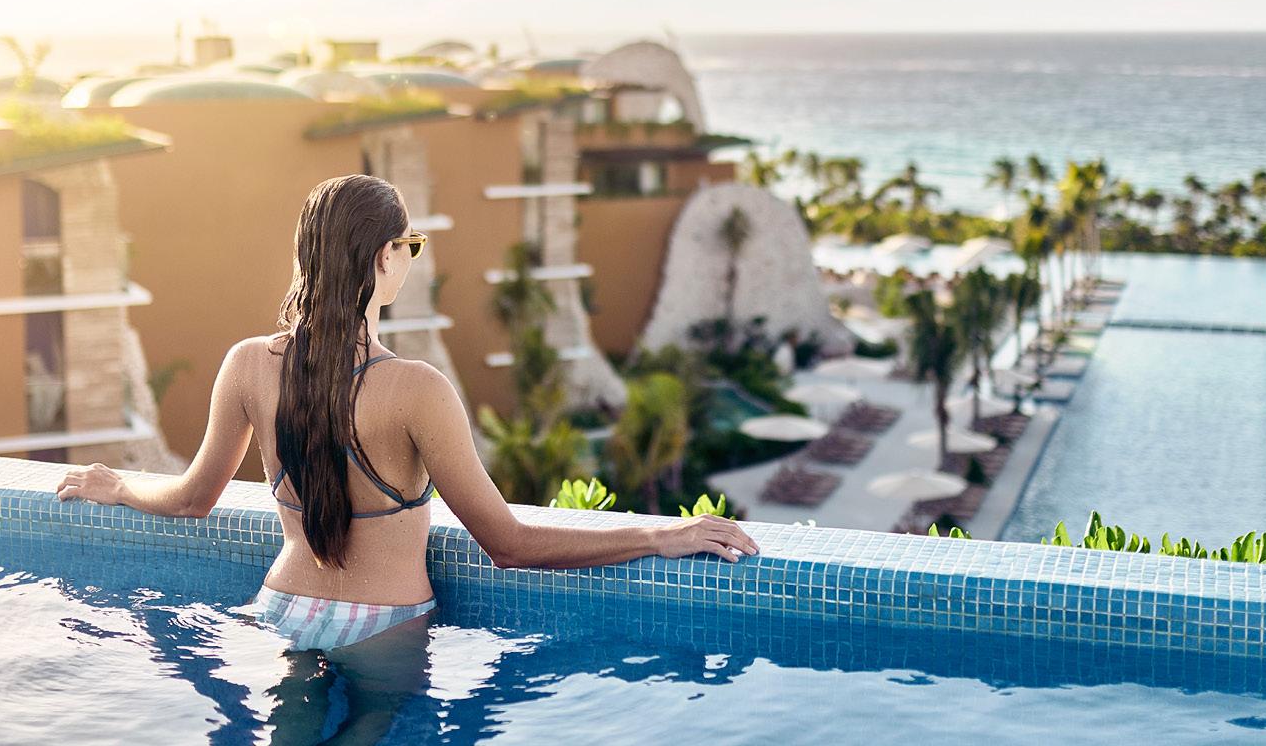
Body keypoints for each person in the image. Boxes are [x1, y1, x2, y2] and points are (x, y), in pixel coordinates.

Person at [54, 173, 758, 658]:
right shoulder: (417, 389)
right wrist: (661, 535)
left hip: (278, 612)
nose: (410, 260)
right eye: (410, 247)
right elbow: (507, 544)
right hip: (384, 629)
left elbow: (191, 498)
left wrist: (117, 486)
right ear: (386, 256)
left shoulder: (247, 365)